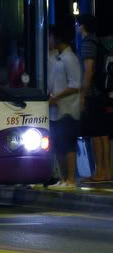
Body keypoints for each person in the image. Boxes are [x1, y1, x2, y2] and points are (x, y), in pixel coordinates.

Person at [78, 14, 112, 181]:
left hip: (93, 93)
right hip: (102, 92)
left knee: (96, 135)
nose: (77, 27)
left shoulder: (87, 43)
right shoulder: (98, 41)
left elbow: (89, 70)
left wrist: (83, 94)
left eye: (78, 24)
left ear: (82, 26)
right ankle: (107, 171)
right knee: (104, 133)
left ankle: (100, 172)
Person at [48, 26, 81, 187]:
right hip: (57, 109)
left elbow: (75, 85)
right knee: (59, 144)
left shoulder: (69, 58)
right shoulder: (60, 58)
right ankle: (63, 178)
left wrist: (56, 97)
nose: (49, 40)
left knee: (68, 145)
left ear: (57, 38)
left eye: (50, 37)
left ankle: (71, 179)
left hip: (68, 109)